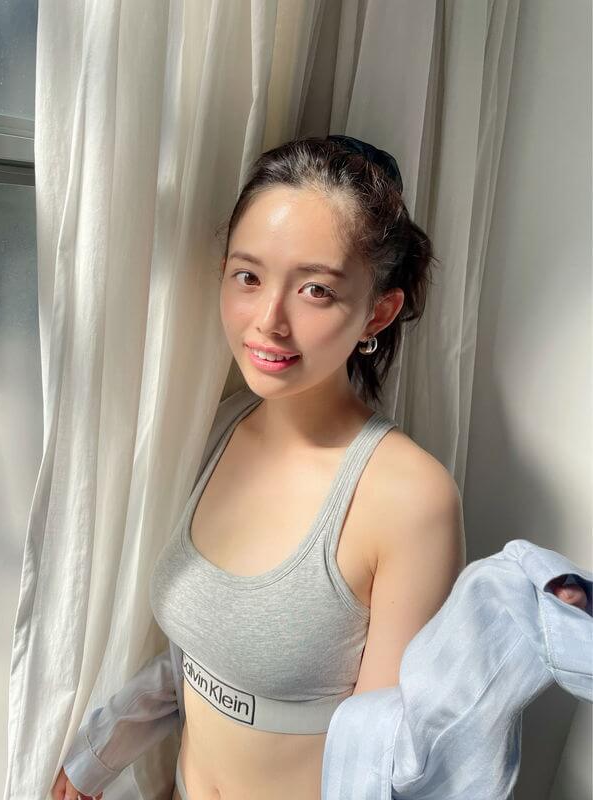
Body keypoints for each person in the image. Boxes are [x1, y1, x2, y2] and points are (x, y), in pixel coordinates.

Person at [54, 136, 591, 800]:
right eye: (248, 276)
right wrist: (99, 753)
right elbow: (200, 657)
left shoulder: (408, 497)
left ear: (378, 312)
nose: (268, 322)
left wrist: (504, 628)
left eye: (315, 289)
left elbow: (394, 759)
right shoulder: (220, 424)